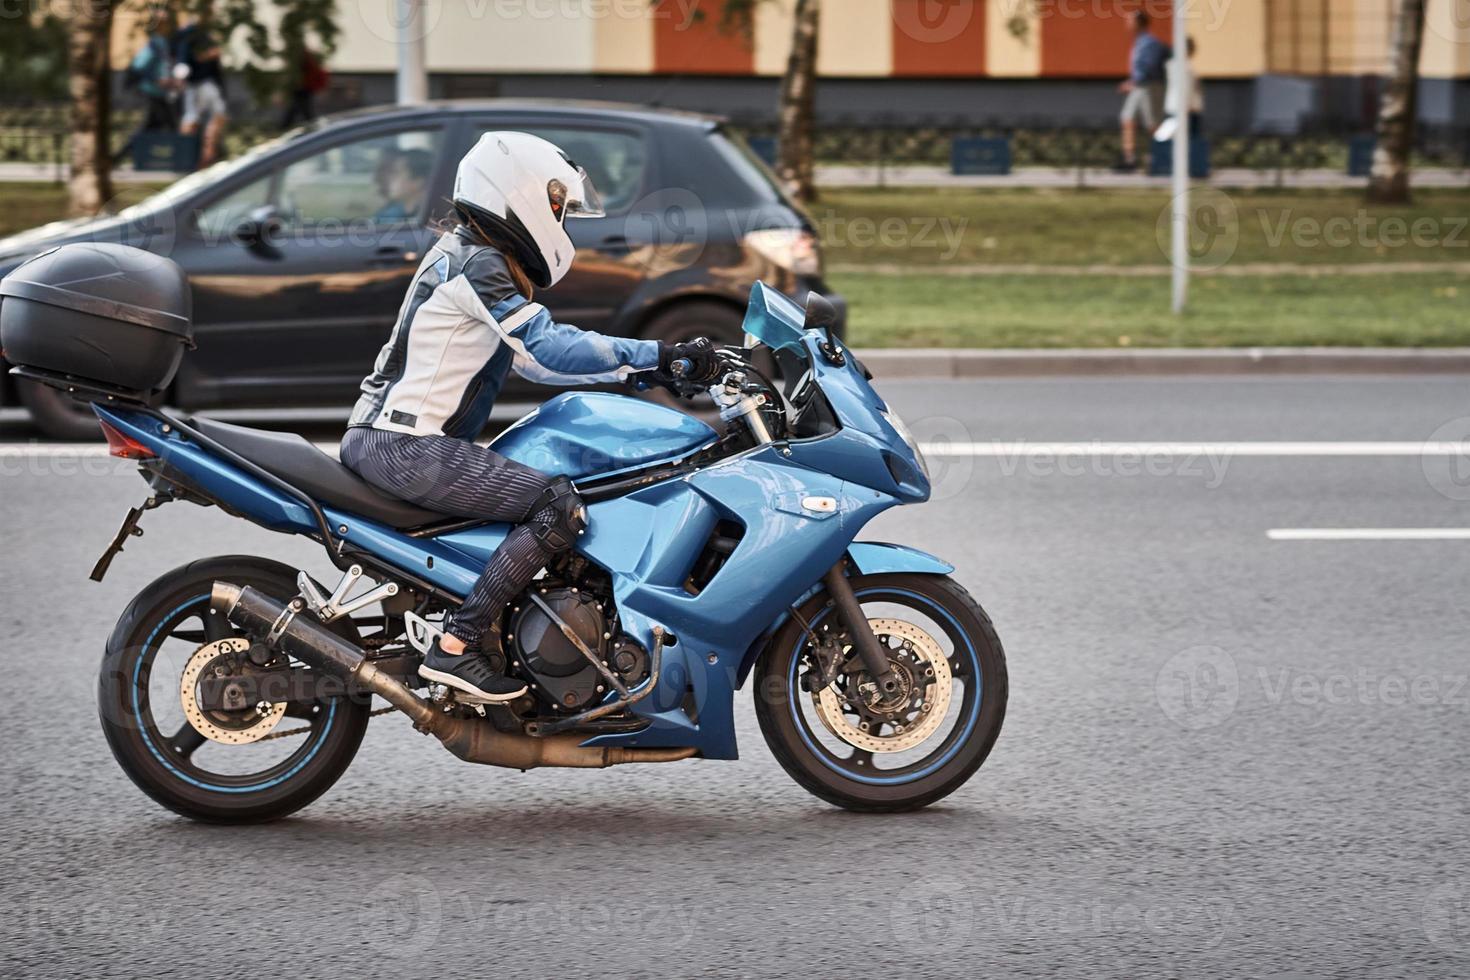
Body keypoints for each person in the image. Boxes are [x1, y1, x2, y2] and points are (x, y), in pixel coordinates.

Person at [339, 133, 723, 701]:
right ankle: (457, 647)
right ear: (517, 195)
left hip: (395, 441)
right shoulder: (478, 262)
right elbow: (548, 347)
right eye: (558, 209)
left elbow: (536, 367)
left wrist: (649, 374)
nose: (563, 225)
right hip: (404, 446)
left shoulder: (472, 255)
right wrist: (658, 353)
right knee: (557, 507)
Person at [114, 7, 177, 166]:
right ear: (158, 25)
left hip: (160, 92)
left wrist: (169, 80)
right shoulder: (155, 44)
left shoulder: (161, 42)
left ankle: (129, 157)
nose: (167, 25)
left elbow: (163, 67)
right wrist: (156, 80)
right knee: (168, 125)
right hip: (153, 92)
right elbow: (139, 66)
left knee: (153, 127)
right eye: (164, 22)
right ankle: (179, 158)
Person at [1115, 11, 1170, 172]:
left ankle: (1163, 157)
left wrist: (1134, 82)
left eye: (1130, 21)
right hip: (1138, 86)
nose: (1127, 24)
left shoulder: (1150, 43)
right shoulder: (1139, 42)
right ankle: (1129, 159)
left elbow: (1150, 67)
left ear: (1139, 23)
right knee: (1127, 119)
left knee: (1153, 124)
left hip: (1149, 86)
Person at [174, 15, 228, 168]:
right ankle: (191, 157)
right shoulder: (192, 36)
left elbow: (182, 64)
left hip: (203, 84)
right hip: (199, 84)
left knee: (209, 118)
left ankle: (203, 156)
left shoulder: (194, 35)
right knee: (195, 119)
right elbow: (184, 64)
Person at [373, 148, 432, 224]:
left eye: (395, 173)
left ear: (418, 181)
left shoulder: (431, 221)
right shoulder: (391, 214)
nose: (388, 179)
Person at [1162, 36, 1204, 138]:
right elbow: (1186, 88)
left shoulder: (1171, 65)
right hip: (1186, 111)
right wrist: (1186, 106)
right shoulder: (1185, 67)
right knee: (1189, 143)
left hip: (1174, 108)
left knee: (1169, 140)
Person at [280, 45, 330, 131]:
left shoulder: (306, 59)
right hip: (303, 88)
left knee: (301, 109)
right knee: (300, 109)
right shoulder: (306, 59)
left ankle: (284, 127)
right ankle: (285, 126)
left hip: (304, 88)